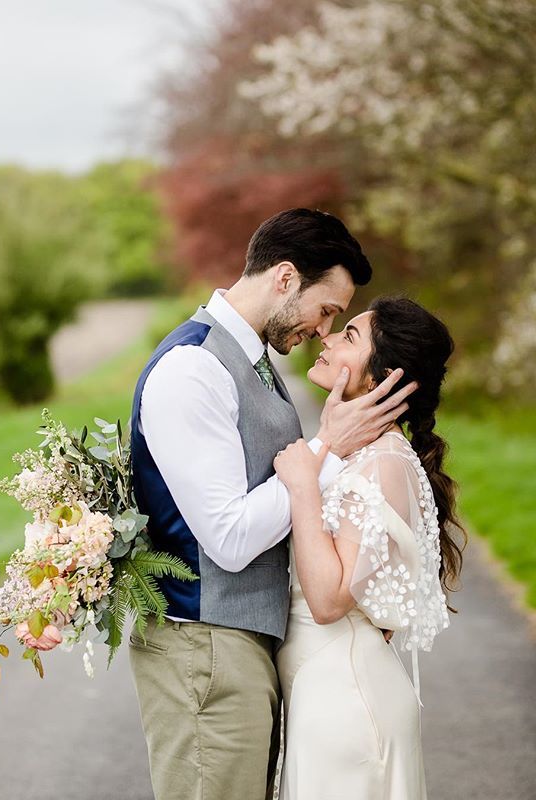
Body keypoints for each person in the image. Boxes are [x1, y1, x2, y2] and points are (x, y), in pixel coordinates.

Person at [128, 208, 416, 800]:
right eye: (327, 309)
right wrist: (327, 448)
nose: (322, 329)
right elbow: (230, 537)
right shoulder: (193, 368)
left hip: (241, 645)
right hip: (203, 644)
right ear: (285, 278)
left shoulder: (254, 359)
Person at [273, 296, 466, 800]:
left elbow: (330, 600)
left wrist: (303, 487)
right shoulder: (366, 455)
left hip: (347, 702)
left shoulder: (383, 462)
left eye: (349, 337)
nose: (327, 336)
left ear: (383, 378)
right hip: (324, 690)